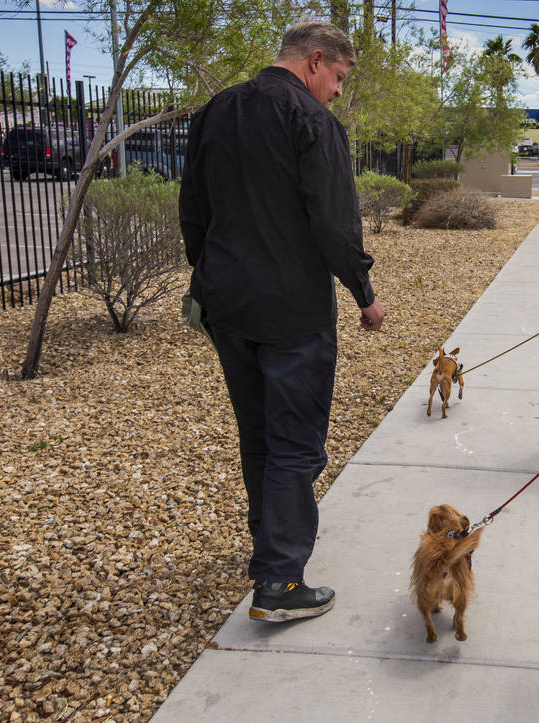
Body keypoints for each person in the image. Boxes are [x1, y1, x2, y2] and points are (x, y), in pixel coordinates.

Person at [179, 21, 386, 622]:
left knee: (259, 436)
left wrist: (211, 272)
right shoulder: (313, 122)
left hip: (228, 306)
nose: (339, 92)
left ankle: (268, 545)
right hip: (293, 310)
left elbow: (192, 206)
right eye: (340, 78)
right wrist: (364, 292)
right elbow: (334, 223)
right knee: (295, 442)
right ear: (315, 61)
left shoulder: (216, 109)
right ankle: (279, 582)